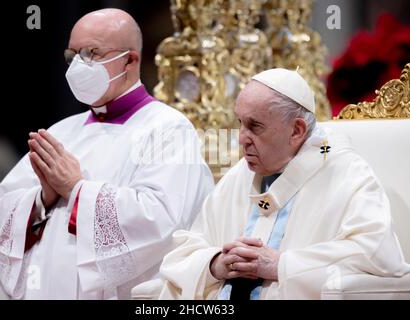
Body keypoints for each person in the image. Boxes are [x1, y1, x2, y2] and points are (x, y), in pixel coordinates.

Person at [0, 8, 214, 299]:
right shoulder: (62, 131)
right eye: (72, 56)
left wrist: (76, 190)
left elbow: (162, 219)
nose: (78, 66)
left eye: (91, 53)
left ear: (130, 60)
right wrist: (44, 198)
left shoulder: (168, 129)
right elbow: (3, 213)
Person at [133, 68, 410, 300]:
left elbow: (376, 254)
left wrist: (279, 265)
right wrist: (216, 264)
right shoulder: (242, 173)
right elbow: (189, 246)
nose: (241, 138)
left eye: (255, 126)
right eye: (240, 123)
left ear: (297, 131)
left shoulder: (345, 172)